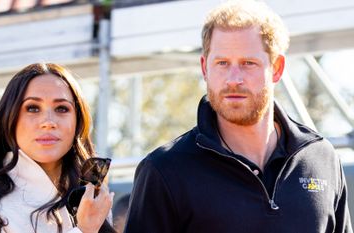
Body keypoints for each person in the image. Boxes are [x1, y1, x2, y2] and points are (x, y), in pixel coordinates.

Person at [124, 1, 352, 233]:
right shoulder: (165, 171)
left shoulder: (322, 159)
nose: (233, 79)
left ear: (277, 68)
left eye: (248, 63)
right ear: (205, 68)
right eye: (222, 63)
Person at [0, 63, 116, 233]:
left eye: (62, 108)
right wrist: (84, 230)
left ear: (78, 121)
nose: (48, 122)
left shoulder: (91, 195)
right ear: (10, 119)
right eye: (33, 108)